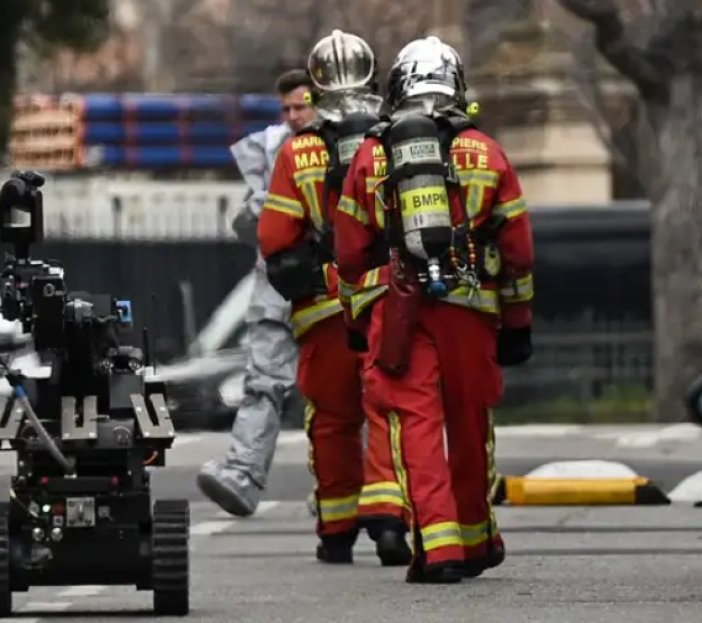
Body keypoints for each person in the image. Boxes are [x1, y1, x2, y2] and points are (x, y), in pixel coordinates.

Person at [334, 36, 535, 583]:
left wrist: (358, 321)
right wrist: (517, 324)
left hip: (397, 310)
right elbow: (517, 251)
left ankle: (439, 548)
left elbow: (350, 252)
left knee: (415, 426)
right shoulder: (487, 152)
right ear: (456, 86)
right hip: (470, 309)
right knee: (469, 422)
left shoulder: (372, 155)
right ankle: (476, 538)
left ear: (397, 88)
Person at [256, 30, 412, 566]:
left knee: (331, 417)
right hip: (388, 298)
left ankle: (337, 527)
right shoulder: (395, 139)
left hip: (324, 307)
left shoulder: (297, 152)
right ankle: (390, 521)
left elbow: (276, 240)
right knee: (389, 408)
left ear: (315, 86)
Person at [197, 69, 317, 517]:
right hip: (279, 282)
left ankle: (349, 490)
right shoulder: (271, 148)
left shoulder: (338, 145)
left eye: (301, 105)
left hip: (328, 283)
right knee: (262, 381)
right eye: (286, 108)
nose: (293, 115)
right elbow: (253, 226)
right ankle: (243, 474)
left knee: (342, 392)